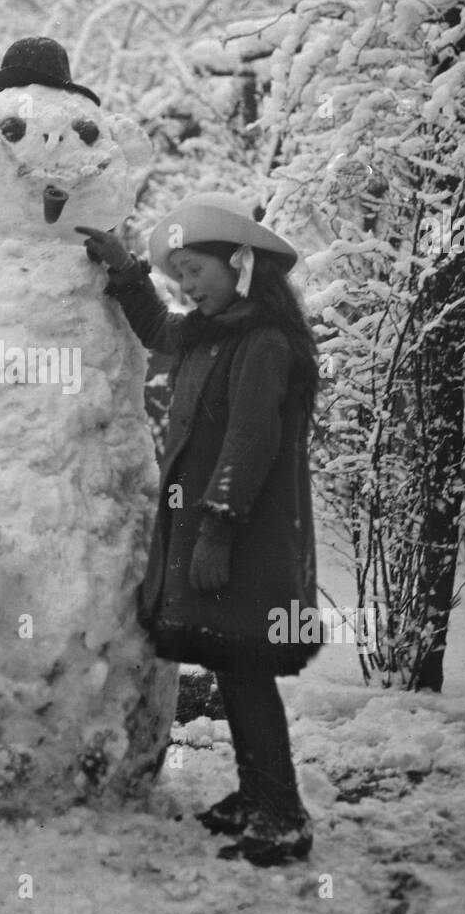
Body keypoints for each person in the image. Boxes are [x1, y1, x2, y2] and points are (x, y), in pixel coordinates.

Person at [77, 194, 321, 866]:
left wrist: (216, 529)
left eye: (194, 270)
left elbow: (250, 441)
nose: (184, 286)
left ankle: (280, 817)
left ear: (240, 263)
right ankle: (257, 794)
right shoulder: (214, 330)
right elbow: (158, 329)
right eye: (177, 273)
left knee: (244, 669)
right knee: (230, 661)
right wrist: (127, 271)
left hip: (244, 536)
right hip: (216, 532)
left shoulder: (262, 341)